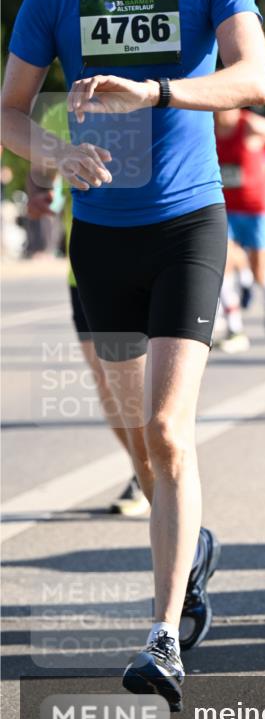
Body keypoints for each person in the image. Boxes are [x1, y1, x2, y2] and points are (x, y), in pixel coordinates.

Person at [1, 0, 265, 710]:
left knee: (165, 426)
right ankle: (192, 542)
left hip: (188, 225)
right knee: (129, 431)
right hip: (101, 240)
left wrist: (158, 93)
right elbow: (9, 110)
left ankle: (162, 637)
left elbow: (255, 79)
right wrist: (55, 149)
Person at [28, 100, 150, 516]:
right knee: (108, 384)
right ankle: (143, 468)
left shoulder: (140, 98)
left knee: (147, 385)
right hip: (85, 272)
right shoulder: (54, 116)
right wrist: (40, 197)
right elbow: (40, 180)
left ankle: (164, 467)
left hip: (149, 260)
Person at [214, 107, 265, 350]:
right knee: (221, 261)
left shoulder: (249, 125)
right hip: (226, 207)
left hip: (258, 208)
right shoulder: (209, 126)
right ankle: (234, 327)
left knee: (260, 270)